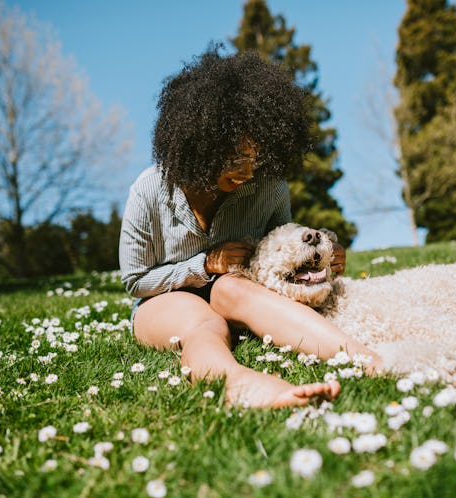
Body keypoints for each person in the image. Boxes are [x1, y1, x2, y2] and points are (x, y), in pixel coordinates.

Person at [119, 47, 382, 408]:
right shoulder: (150, 189)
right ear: (200, 146)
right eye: (234, 160)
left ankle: (371, 362)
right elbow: (136, 280)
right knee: (206, 324)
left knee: (232, 288)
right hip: (165, 301)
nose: (246, 172)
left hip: (237, 289)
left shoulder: (270, 187)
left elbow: (283, 250)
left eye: (254, 159)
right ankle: (239, 384)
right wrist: (204, 265)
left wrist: (321, 258)